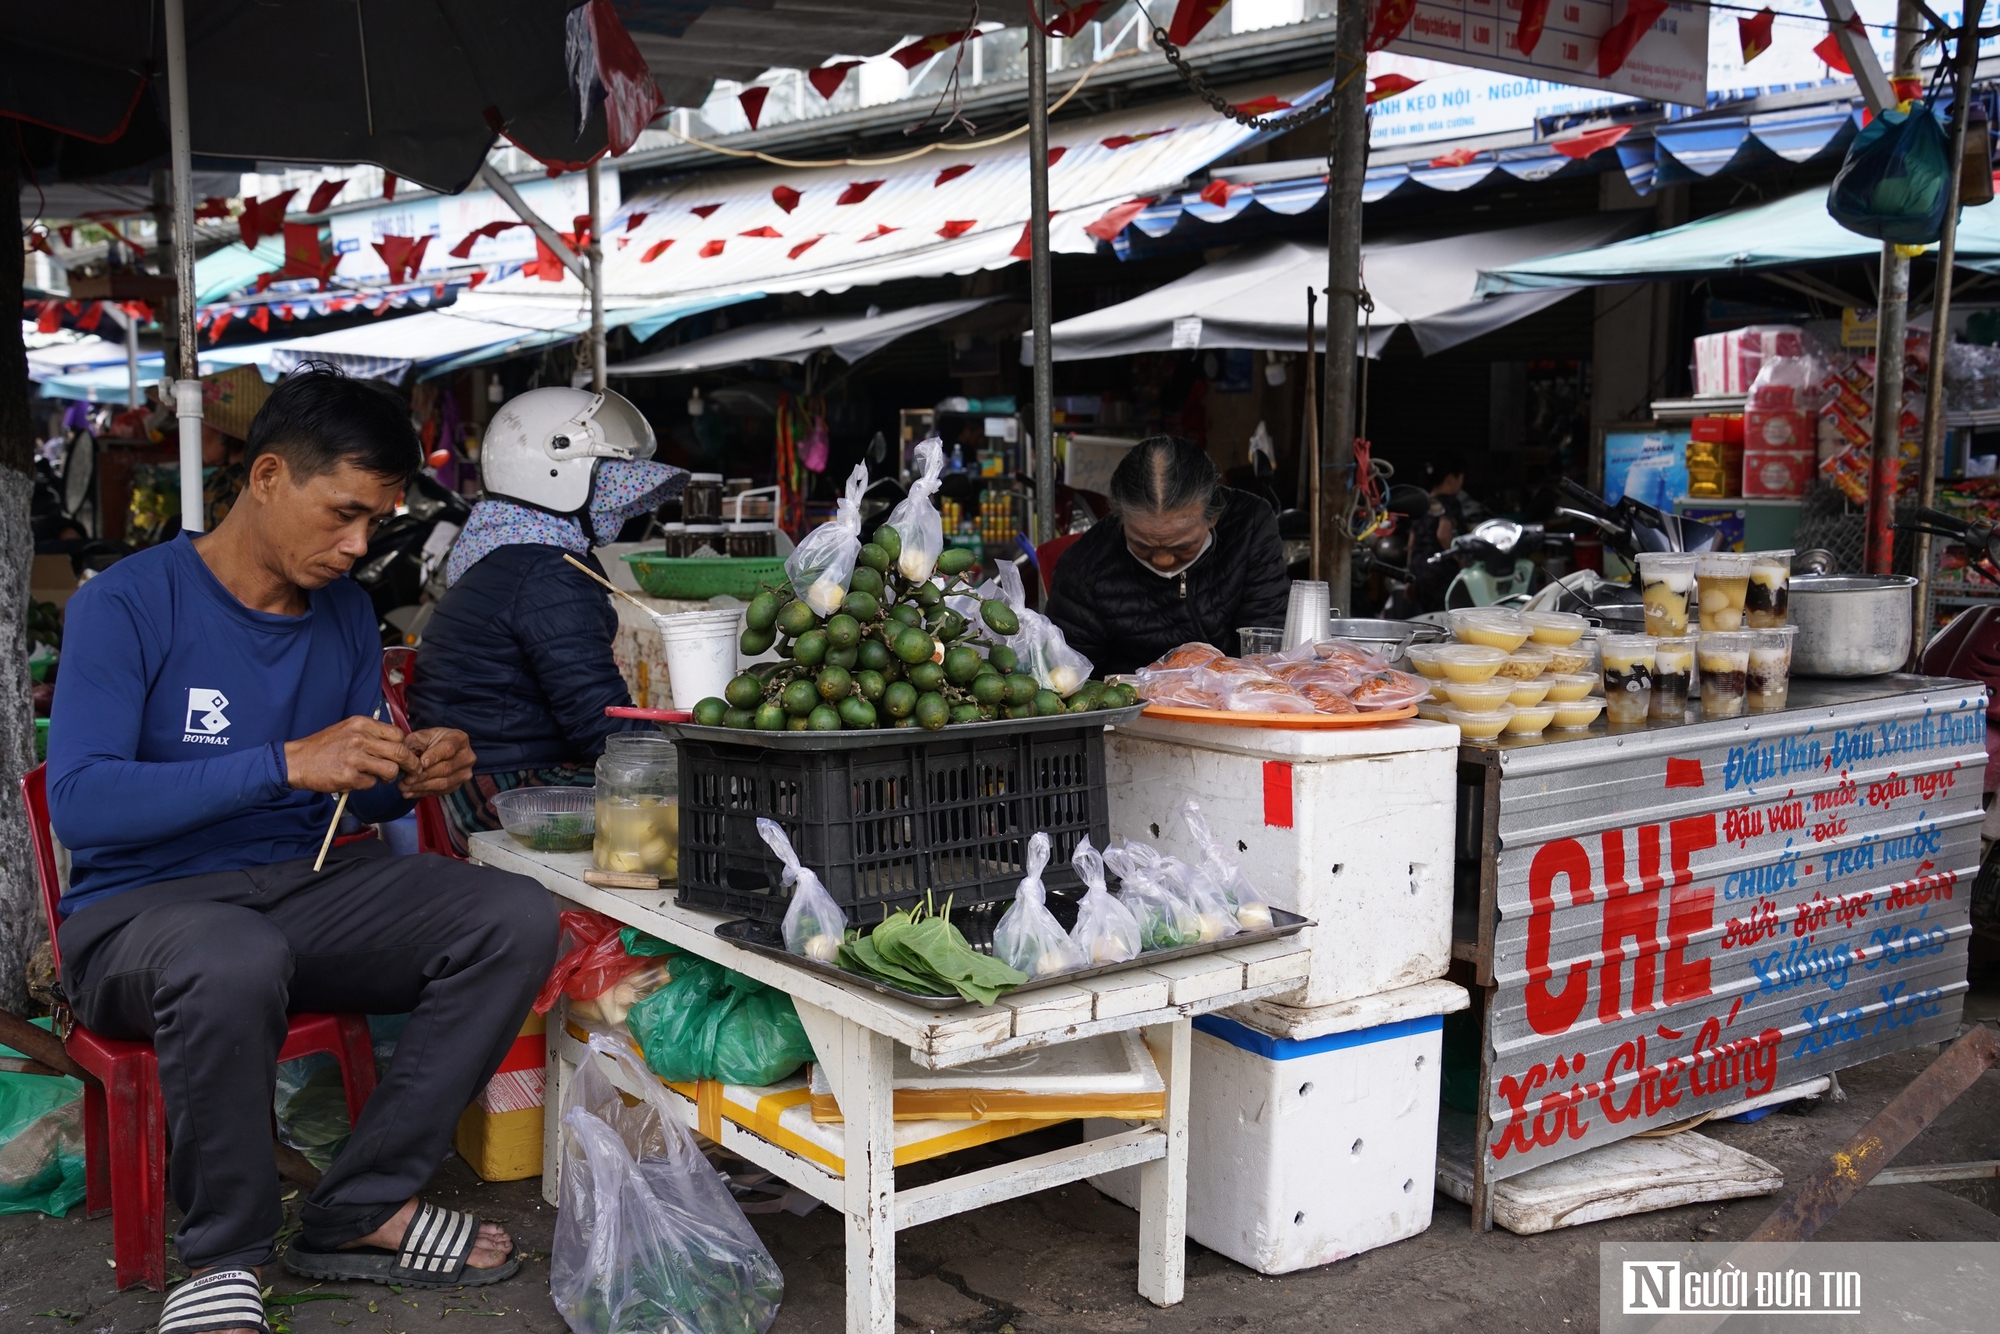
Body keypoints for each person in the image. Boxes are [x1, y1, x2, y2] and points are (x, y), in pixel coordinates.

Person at [47, 366, 557, 1334]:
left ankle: (357, 1205)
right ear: (270, 474)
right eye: (343, 514)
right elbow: (80, 802)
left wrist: (402, 767)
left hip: (305, 885)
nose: (358, 544)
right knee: (231, 953)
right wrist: (281, 761)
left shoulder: (345, 614)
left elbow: (345, 788)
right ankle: (220, 1257)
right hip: (141, 919)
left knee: (510, 915)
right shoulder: (127, 602)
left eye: (377, 521)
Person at [411, 387, 684, 853]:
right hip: (505, 794)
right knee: (701, 800)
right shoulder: (547, 573)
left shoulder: (503, 552)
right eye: (611, 486)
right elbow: (602, 733)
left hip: (477, 781)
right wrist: (710, 750)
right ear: (557, 475)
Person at [1045, 435, 1289, 676]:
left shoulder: (1250, 526)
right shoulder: (1083, 568)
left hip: (1238, 701)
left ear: (1213, 516)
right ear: (1120, 519)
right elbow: (1071, 678)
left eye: (1181, 547)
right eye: (1143, 546)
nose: (1163, 561)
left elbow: (1264, 646)